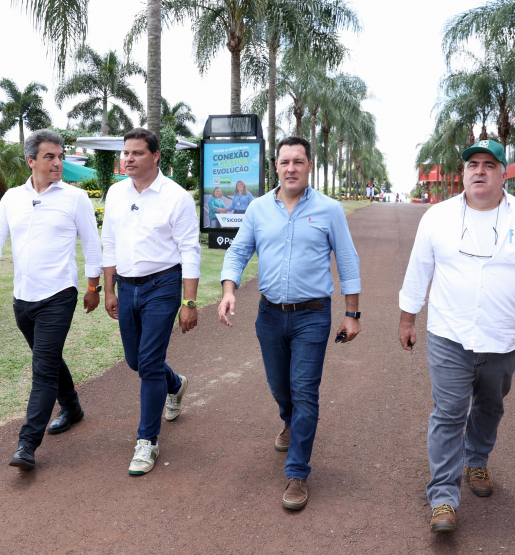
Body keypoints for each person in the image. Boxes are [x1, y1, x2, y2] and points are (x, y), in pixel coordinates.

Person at [397, 139, 515, 533]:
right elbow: (418, 272)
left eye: (489, 165)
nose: (479, 170)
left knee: (490, 407)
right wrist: (407, 319)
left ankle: (476, 461)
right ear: (463, 172)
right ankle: (443, 497)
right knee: (448, 413)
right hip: (449, 334)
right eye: (473, 164)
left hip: (503, 339)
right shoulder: (438, 217)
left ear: (503, 173)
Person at [218, 136, 361, 510]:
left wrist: (352, 313)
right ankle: (288, 420)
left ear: (309, 166)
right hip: (269, 315)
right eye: (285, 162)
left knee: (305, 392)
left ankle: (297, 471)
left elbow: (347, 261)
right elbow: (239, 251)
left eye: (299, 161)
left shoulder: (330, 210)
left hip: (312, 316)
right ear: (276, 166)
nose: (291, 168)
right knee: (280, 387)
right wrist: (229, 289)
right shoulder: (258, 208)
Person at [0, 129, 103, 470]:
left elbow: (91, 245)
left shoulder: (75, 198)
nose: (58, 162)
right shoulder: (13, 198)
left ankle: (27, 444)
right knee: (49, 358)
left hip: (59, 294)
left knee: (42, 369)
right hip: (23, 298)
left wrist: (93, 287)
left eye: (60, 156)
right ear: (31, 161)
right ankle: (72, 407)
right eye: (50, 157)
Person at [101, 127, 200, 476]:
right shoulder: (115, 194)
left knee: (148, 361)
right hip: (126, 287)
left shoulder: (176, 197)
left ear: (155, 156)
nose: (128, 159)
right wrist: (109, 289)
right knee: (136, 361)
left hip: (163, 285)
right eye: (125, 153)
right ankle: (175, 384)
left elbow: (189, 249)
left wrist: (189, 302)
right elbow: (108, 243)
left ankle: (148, 441)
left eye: (136, 153)